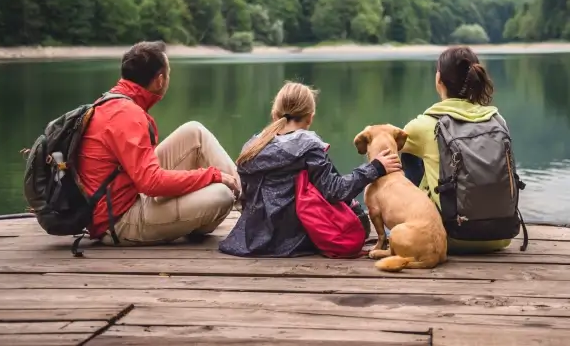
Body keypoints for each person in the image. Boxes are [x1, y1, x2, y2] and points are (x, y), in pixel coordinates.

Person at [77, 41, 241, 245]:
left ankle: (251, 205)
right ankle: (251, 208)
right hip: (118, 221)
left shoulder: (112, 101)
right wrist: (212, 175)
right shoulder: (128, 115)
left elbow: (144, 178)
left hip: (127, 193)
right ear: (160, 80)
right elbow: (151, 183)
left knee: (194, 132)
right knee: (222, 195)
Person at [219, 81, 401, 257]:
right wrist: (374, 168)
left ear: (275, 113)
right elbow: (335, 191)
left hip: (250, 237)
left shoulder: (252, 146)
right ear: (310, 117)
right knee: (357, 217)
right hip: (293, 239)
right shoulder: (308, 147)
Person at [400, 45, 512, 254]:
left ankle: (413, 221)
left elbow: (389, 151)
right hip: (502, 235)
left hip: (446, 236)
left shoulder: (423, 125)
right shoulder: (498, 120)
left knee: (407, 153)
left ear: (438, 79)